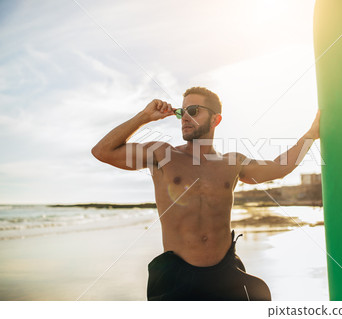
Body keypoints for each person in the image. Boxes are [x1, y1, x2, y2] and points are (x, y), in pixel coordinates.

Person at [91, 87, 320, 300]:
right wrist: (144, 116)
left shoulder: (232, 162)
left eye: (193, 111)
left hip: (225, 273)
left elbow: (281, 167)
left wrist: (311, 134)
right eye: (182, 112)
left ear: (215, 119)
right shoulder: (162, 155)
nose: (184, 118)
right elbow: (102, 151)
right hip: (175, 277)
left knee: (260, 294)